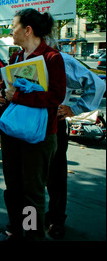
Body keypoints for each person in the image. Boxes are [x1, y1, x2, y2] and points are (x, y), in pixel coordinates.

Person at [0, 8, 66, 241]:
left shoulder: (52, 58)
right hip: (12, 131)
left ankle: (32, 234)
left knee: (32, 192)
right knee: (12, 186)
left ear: (28, 29)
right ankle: (15, 226)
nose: (11, 31)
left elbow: (56, 97)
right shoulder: (15, 57)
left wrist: (18, 97)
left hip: (39, 135)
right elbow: (6, 86)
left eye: (14, 26)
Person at [43, 36, 106, 239]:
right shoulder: (21, 57)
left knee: (56, 176)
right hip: (25, 126)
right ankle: (31, 222)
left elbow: (96, 85)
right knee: (30, 181)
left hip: (53, 123)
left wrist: (74, 109)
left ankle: (56, 219)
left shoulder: (60, 59)